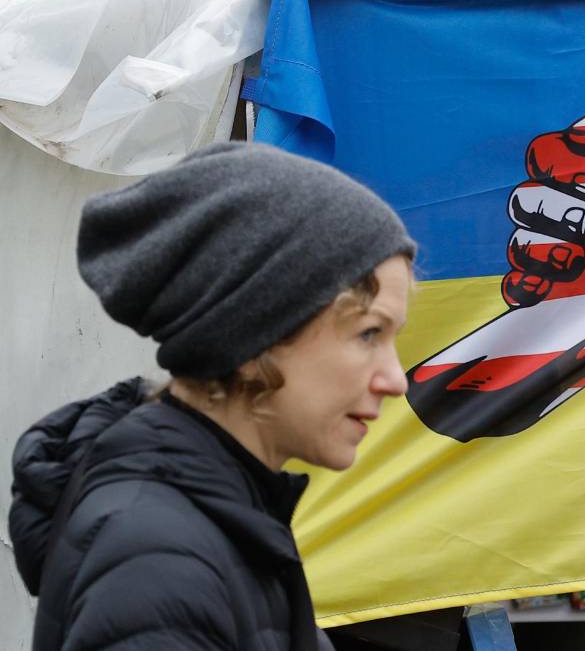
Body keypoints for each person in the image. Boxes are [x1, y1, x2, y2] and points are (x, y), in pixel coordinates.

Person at [8, 142, 417, 651]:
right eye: (368, 334)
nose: (396, 380)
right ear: (255, 334)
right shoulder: (160, 563)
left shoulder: (219, 522)